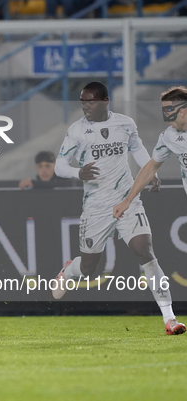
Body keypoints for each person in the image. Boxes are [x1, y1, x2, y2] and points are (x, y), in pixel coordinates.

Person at [52, 81, 185, 335]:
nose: (85, 107)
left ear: (104, 102)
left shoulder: (125, 124)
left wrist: (150, 173)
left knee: (144, 251)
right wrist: (77, 172)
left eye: (90, 102)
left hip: (127, 199)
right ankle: (69, 271)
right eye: (82, 102)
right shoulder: (77, 131)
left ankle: (169, 318)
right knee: (90, 268)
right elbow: (59, 165)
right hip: (96, 207)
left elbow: (137, 149)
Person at [113, 86, 187, 335]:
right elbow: (150, 167)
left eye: (170, 111)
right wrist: (127, 200)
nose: (166, 117)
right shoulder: (169, 136)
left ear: (184, 112)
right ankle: (170, 319)